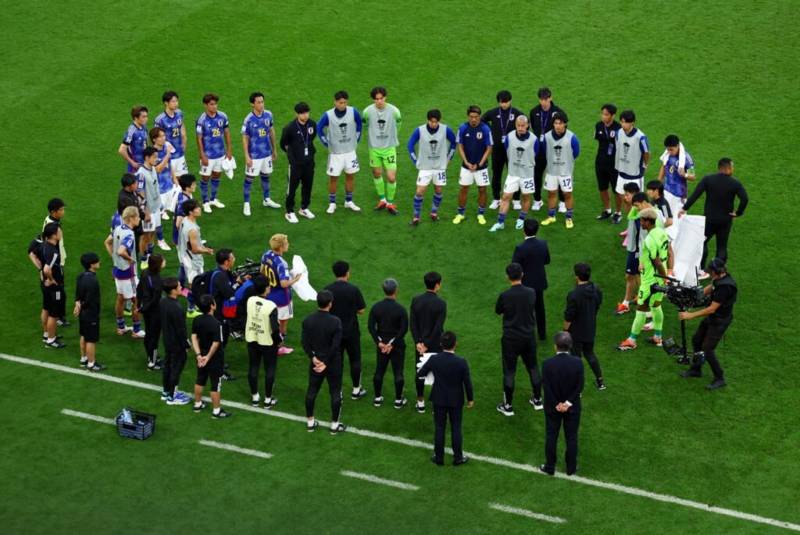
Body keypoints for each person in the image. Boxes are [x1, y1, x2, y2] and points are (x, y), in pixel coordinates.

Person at [679, 158, 748, 277]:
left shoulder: (708, 179)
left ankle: (701, 269)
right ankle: (719, 272)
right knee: (722, 246)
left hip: (709, 220)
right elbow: (745, 198)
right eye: (732, 167)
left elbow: (696, 194)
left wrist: (684, 208)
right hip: (725, 220)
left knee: (702, 242)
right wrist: (738, 212)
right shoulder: (735, 183)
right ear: (728, 168)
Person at [618, 208, 673, 350]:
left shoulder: (649, 239)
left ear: (648, 221)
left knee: (641, 308)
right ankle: (658, 337)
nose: (640, 222)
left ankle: (632, 340)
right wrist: (666, 274)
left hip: (650, 280)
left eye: (641, 220)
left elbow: (657, 262)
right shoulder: (661, 232)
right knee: (656, 306)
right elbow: (669, 252)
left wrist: (665, 277)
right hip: (659, 278)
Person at [417, 331, 474, 466]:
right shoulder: (461, 362)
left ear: (441, 344)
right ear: (455, 344)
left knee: (440, 428)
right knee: (456, 428)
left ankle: (439, 458)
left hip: (439, 398)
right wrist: (470, 399)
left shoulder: (434, 359)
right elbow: (468, 383)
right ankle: (458, 457)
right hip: (456, 400)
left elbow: (421, 373)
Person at [679, 258, 737, 390]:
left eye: (711, 272)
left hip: (719, 321)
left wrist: (690, 315)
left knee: (708, 349)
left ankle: (719, 377)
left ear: (716, 272)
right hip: (713, 318)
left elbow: (712, 308)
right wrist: (697, 294)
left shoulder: (725, 287)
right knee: (697, 340)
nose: (710, 274)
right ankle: (696, 369)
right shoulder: (721, 278)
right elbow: (712, 286)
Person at [495, 263, 542, 416]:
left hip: (511, 338)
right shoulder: (531, 292)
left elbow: (498, 310)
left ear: (507, 277)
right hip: (528, 336)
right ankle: (537, 400)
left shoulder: (505, 295)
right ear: (522, 274)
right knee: (533, 367)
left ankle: (507, 406)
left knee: (509, 372)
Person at [539, 331, 584, 476]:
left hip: (553, 407)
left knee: (551, 435)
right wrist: (568, 403)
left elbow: (546, 387)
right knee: (571, 437)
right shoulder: (578, 363)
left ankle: (550, 466)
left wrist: (557, 404)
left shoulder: (547, 364)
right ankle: (571, 468)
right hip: (572, 407)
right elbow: (579, 386)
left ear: (555, 347)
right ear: (570, 346)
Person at [303, 290, 345, 434]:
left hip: (316, 362)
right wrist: (326, 363)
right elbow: (335, 345)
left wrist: (313, 358)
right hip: (332, 362)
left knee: (312, 390)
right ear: (330, 304)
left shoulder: (308, 320)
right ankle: (334, 425)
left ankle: (310, 422)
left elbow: (304, 342)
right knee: (335, 392)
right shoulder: (335, 322)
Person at [325, 261, 367, 400]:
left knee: (337, 362)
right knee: (355, 360)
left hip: (334, 333)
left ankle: (339, 391)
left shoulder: (328, 289)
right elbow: (361, 310)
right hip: (351, 331)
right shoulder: (353, 289)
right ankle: (356, 390)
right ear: (347, 273)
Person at [489, 115, 538, 232]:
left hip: (527, 174)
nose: (520, 128)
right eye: (518, 125)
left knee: (526, 197)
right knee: (505, 196)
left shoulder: (534, 139)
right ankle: (500, 222)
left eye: (523, 126)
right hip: (513, 174)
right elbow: (507, 150)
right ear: (515, 125)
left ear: (527, 126)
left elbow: (536, 153)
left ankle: (521, 219)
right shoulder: (509, 137)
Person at [407, 109, 457, 225]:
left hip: (440, 167)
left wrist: (449, 158)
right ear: (427, 120)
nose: (434, 124)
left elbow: (454, 143)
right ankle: (416, 217)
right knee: (420, 191)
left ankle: (434, 213)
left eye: (436, 122)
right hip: (425, 167)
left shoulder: (446, 130)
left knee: (438, 190)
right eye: (431, 121)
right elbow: (410, 146)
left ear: (439, 121)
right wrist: (416, 161)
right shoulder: (419, 130)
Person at [318, 90, 362, 214]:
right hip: (336, 154)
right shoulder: (328, 115)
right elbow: (319, 128)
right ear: (335, 102)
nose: (343, 105)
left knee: (350, 176)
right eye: (340, 102)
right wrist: (326, 143)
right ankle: (332, 203)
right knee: (333, 178)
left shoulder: (353, 112)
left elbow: (359, 124)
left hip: (350, 152)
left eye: (344, 102)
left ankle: (349, 201)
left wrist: (357, 138)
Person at [367, 278, 409, 408]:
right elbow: (404, 329)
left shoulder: (376, 307)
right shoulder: (401, 309)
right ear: (396, 290)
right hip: (397, 346)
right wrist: (392, 343)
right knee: (398, 372)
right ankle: (398, 400)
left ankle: (378, 398)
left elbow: (370, 326)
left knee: (379, 371)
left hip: (382, 346)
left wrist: (379, 342)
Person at [410, 271, 447, 413]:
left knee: (420, 372)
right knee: (438, 373)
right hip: (435, 343)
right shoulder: (441, 304)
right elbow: (438, 328)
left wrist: (419, 342)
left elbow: (413, 324)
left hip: (419, 345)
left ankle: (420, 402)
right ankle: (436, 403)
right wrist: (427, 343)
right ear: (437, 285)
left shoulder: (416, 300)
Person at [564, 263, 605, 389]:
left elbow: (569, 316)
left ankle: (578, 388)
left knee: (576, 359)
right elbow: (598, 305)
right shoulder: (596, 289)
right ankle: (600, 382)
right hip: (590, 328)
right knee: (590, 353)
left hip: (576, 331)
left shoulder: (574, 294)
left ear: (577, 277)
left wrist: (565, 330)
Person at [482, 90, 524, 209]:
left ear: (510, 101)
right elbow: (483, 120)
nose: (504, 104)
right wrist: (492, 130)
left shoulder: (516, 113)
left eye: (506, 102)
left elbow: (526, 124)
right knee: (496, 174)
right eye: (501, 102)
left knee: (515, 174)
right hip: (497, 149)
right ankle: (496, 199)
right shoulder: (494, 112)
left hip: (512, 150)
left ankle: (516, 200)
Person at [261, 233, 302, 354]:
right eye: (286, 243)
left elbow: (261, 271)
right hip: (282, 298)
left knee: (270, 321)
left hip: (268, 294)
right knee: (282, 323)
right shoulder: (281, 263)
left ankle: (268, 343)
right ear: (281, 247)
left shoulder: (266, 255)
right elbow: (284, 284)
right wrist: (295, 279)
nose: (288, 244)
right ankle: (279, 347)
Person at [191, 295, 231, 418]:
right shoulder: (216, 323)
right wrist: (208, 357)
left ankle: (197, 404)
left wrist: (199, 355)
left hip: (201, 356)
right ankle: (216, 410)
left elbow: (193, 337)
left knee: (200, 379)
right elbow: (216, 343)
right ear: (212, 306)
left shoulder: (197, 319)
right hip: (214, 358)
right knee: (215, 384)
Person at [245, 274, 282, 408]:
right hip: (267, 342)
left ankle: (255, 397)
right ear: (266, 288)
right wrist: (278, 340)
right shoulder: (271, 305)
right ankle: (267, 399)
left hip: (252, 338)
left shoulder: (250, 300)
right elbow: (275, 328)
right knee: (270, 369)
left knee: (253, 367)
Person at [363, 86, 402, 213]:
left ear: (385, 97)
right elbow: (365, 125)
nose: (379, 101)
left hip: (389, 148)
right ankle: (382, 200)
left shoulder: (394, 111)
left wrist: (393, 137)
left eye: (381, 98)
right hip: (374, 148)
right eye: (376, 99)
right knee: (377, 173)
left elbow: (399, 123)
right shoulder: (367, 112)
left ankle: (390, 203)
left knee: (391, 177)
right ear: (373, 99)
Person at [241, 91, 280, 217]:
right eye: (258, 102)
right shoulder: (248, 119)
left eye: (262, 102)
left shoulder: (268, 115)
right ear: (252, 104)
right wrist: (246, 156)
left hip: (266, 153)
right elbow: (245, 138)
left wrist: (274, 149)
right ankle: (246, 203)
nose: (261, 104)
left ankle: (266, 199)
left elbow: (271, 132)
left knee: (266, 176)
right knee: (249, 179)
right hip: (254, 155)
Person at [453, 105, 493, 225]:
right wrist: (466, 162)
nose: (474, 119)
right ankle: (460, 213)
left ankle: (481, 214)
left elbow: (489, 147)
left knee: (482, 189)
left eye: (476, 117)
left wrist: (479, 164)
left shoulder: (486, 129)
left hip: (481, 167)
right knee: (464, 188)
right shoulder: (463, 128)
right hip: (466, 166)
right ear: (468, 116)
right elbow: (460, 145)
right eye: (471, 117)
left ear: (479, 117)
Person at [540, 112, 580, 229]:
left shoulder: (572, 137)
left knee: (567, 194)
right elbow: (543, 151)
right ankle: (551, 216)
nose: (558, 126)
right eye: (556, 123)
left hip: (565, 172)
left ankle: (569, 218)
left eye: (560, 123)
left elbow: (576, 153)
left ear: (565, 124)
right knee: (551, 193)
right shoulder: (547, 137)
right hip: (551, 171)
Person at [512, 218, 550, 341]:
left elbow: (515, 267)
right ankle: (542, 334)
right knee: (540, 308)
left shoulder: (520, 248)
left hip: (525, 283)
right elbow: (547, 261)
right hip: (539, 281)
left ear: (524, 230)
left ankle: (526, 334)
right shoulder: (543, 244)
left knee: (525, 310)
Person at [529, 88, 566, 212]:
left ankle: (562, 202)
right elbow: (534, 129)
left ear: (550, 98)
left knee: (558, 175)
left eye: (546, 99)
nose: (544, 102)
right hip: (539, 150)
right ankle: (537, 200)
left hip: (554, 151)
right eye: (541, 99)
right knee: (537, 175)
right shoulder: (534, 112)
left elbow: (563, 131)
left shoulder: (558, 112)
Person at [110, 206, 145, 338]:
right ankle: (136, 330)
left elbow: (108, 242)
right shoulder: (129, 234)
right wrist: (131, 259)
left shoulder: (117, 228)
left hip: (117, 270)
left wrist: (114, 257)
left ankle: (121, 327)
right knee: (137, 300)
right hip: (128, 273)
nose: (139, 219)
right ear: (131, 218)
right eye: (137, 217)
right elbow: (121, 251)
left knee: (120, 298)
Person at [280, 102, 317, 223]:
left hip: (309, 163)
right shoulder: (290, 128)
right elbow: (283, 144)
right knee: (292, 189)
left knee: (308, 187)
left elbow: (311, 139)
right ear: (297, 114)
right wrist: (293, 156)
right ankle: (289, 211)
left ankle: (304, 208)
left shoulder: (312, 124)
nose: (305, 115)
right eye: (302, 113)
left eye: (307, 112)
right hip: (296, 165)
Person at [177, 199, 214, 318]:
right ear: (191, 212)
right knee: (196, 285)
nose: (200, 209)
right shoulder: (192, 229)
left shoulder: (184, 220)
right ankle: (191, 308)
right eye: (197, 208)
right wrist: (207, 250)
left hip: (183, 254)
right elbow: (194, 249)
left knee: (184, 277)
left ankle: (179, 289)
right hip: (192, 260)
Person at [196, 93, 232, 213]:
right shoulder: (202, 120)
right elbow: (199, 138)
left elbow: (226, 133)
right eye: (212, 104)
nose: (214, 106)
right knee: (205, 177)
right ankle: (205, 201)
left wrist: (229, 149)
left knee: (217, 175)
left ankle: (213, 199)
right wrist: (202, 154)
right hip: (208, 155)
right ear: (205, 105)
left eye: (216, 104)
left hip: (220, 154)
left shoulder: (222, 116)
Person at [159, 277, 191, 405]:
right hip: (177, 343)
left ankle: (166, 391)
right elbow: (181, 330)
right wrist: (186, 344)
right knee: (176, 368)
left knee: (168, 365)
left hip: (167, 340)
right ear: (173, 290)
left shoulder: (163, 302)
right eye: (178, 286)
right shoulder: (177, 308)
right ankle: (173, 396)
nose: (180, 288)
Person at [614, 110, 650, 215]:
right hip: (622, 172)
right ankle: (631, 223)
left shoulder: (640, 137)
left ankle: (641, 224)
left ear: (632, 123)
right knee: (623, 198)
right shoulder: (618, 133)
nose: (623, 124)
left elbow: (646, 153)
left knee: (637, 202)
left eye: (625, 122)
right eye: (621, 121)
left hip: (635, 174)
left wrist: (645, 164)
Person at [616, 182, 642, 315]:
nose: (625, 197)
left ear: (634, 194)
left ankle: (627, 303)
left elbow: (641, 233)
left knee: (630, 275)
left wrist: (639, 250)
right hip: (634, 247)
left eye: (627, 195)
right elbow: (629, 214)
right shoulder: (635, 207)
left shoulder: (640, 212)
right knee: (636, 275)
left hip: (636, 249)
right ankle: (640, 297)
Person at [593, 104, 622, 222]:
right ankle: (607, 210)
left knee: (617, 190)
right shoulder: (598, 126)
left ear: (613, 115)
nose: (603, 116)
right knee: (602, 188)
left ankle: (618, 212)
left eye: (606, 114)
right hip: (600, 162)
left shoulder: (619, 128)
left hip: (614, 164)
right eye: (602, 114)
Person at [74, 252, 102, 370]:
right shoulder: (93, 281)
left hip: (83, 313)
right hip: (91, 313)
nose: (99, 262)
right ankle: (91, 363)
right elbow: (89, 299)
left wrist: (78, 305)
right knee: (91, 339)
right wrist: (82, 305)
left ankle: (83, 358)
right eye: (97, 261)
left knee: (84, 335)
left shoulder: (81, 276)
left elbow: (78, 294)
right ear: (91, 265)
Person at [136, 254, 165, 371]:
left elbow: (139, 289)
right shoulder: (157, 280)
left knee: (149, 333)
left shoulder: (145, 273)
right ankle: (152, 362)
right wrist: (144, 308)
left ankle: (150, 357)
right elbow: (155, 299)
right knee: (154, 336)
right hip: (154, 311)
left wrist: (139, 306)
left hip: (146, 309)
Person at [657, 134, 695, 220]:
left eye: (671, 149)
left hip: (679, 194)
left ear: (677, 146)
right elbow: (664, 166)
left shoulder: (686, 158)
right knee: (664, 216)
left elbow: (693, 177)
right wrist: (657, 184)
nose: (669, 152)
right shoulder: (667, 154)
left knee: (678, 219)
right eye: (668, 149)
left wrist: (684, 174)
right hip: (666, 191)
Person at [43, 198, 68, 326]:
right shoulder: (51, 226)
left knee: (59, 290)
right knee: (58, 290)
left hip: (56, 262)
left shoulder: (52, 221)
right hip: (55, 265)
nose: (63, 212)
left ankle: (58, 314)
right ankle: (57, 315)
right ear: (54, 212)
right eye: (61, 210)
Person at [148, 127, 174, 250]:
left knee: (182, 210)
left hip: (170, 186)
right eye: (161, 136)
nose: (164, 138)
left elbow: (170, 165)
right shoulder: (152, 153)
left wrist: (175, 179)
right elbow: (158, 169)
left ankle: (183, 237)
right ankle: (161, 240)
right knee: (157, 218)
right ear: (154, 139)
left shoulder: (166, 146)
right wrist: (168, 154)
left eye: (164, 135)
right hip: (159, 191)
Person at [136, 147, 162, 266]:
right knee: (146, 235)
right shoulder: (141, 174)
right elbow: (140, 193)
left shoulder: (152, 168)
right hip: (148, 210)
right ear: (147, 158)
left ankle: (150, 253)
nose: (156, 159)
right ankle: (144, 258)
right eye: (154, 157)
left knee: (152, 232)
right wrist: (145, 212)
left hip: (155, 207)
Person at [154, 90, 189, 179]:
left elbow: (182, 128)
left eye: (177, 101)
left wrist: (184, 143)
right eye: (173, 101)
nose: (176, 103)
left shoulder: (179, 113)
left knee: (183, 180)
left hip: (180, 154)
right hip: (168, 156)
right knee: (172, 181)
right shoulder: (160, 120)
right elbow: (155, 138)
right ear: (166, 103)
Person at [118, 105, 148, 172]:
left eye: (146, 116)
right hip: (135, 168)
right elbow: (121, 150)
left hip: (144, 165)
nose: (146, 119)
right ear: (136, 118)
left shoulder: (144, 128)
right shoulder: (131, 131)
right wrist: (132, 163)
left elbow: (145, 145)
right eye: (143, 117)